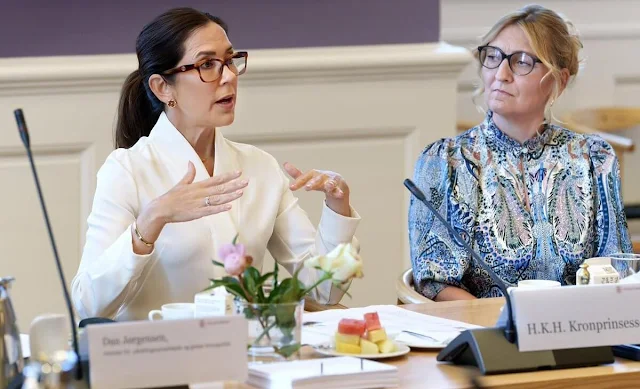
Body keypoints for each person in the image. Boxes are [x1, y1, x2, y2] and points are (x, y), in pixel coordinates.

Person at [71, 7, 360, 320]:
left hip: (251, 359)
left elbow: (323, 290)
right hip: (156, 361)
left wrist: (337, 207)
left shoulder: (259, 167)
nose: (229, 76)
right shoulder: (126, 170)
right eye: (207, 64)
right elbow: (88, 304)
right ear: (162, 87)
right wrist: (152, 220)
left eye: (230, 60)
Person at [409, 5, 632, 301]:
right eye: (493, 57)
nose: (500, 74)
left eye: (522, 62)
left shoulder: (593, 158)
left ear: (558, 80)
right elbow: (434, 282)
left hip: (580, 334)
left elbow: (617, 270)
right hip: (487, 337)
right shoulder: (447, 162)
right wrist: (505, 329)